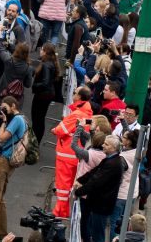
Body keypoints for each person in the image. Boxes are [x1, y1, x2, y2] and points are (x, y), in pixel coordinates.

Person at [0, 96, 27, 242]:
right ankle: (2, 233)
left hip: (3, 161)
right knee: (0, 199)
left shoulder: (16, 120)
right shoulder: (14, 119)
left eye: (5, 107)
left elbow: (1, 138)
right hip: (8, 161)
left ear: (13, 106)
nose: (4, 110)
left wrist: (4, 120)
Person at [51, 86, 94, 217]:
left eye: (75, 93)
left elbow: (59, 130)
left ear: (79, 97)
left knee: (63, 186)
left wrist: (55, 130)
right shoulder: (88, 113)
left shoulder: (76, 114)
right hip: (77, 157)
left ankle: (61, 211)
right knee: (71, 186)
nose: (73, 94)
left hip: (66, 156)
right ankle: (66, 211)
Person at [75, 134, 125, 242]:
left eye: (106, 144)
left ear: (113, 148)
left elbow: (95, 181)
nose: (103, 145)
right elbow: (94, 172)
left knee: (98, 235)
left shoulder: (113, 164)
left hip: (101, 206)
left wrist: (78, 192)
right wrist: (80, 180)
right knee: (95, 232)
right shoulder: (109, 159)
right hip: (99, 204)